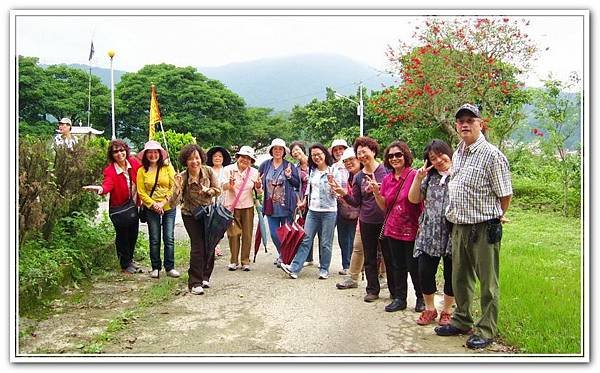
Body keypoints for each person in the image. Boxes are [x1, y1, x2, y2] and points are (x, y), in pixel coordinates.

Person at [434, 104, 513, 350]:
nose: (464, 124)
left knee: (488, 282)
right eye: (460, 121)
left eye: (470, 120)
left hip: (483, 227)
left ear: (481, 123)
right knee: (460, 278)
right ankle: (461, 320)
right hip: (459, 225)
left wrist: (497, 216)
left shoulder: (492, 155)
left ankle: (486, 329)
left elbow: (505, 194)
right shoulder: (459, 152)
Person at [330, 136, 388, 303]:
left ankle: (395, 289)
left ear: (373, 151)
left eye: (364, 151)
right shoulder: (358, 177)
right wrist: (343, 193)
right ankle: (372, 290)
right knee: (369, 256)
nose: (362, 155)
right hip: (366, 220)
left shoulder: (385, 171)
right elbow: (356, 202)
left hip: (385, 220)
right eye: (359, 152)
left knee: (389, 256)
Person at [371, 141, 424, 313]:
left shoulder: (415, 175)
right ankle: (400, 298)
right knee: (397, 265)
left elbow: (423, 202)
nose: (394, 158)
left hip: (412, 228)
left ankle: (421, 298)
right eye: (391, 156)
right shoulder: (387, 179)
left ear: (406, 156)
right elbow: (384, 206)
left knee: (414, 266)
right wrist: (377, 194)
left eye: (398, 155)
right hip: (393, 228)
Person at [408, 139, 455, 326]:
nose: (438, 160)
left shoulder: (460, 174)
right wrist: (418, 177)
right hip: (430, 232)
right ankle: (430, 309)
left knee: (451, 273)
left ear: (449, 152)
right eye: (432, 158)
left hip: (454, 232)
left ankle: (447, 311)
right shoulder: (429, 177)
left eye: (440, 155)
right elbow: (413, 199)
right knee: (424, 271)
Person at [280, 143, 342, 279]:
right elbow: (309, 188)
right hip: (313, 211)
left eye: (319, 154)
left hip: (329, 211)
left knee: (326, 242)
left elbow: (339, 194)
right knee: (306, 239)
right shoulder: (312, 170)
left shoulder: (334, 170)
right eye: (313, 155)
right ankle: (294, 269)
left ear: (325, 154)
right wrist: (303, 201)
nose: (316, 157)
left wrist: (333, 186)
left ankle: (324, 269)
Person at [83, 139, 142, 274]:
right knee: (122, 236)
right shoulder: (110, 170)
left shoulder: (133, 163)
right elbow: (108, 184)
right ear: (112, 154)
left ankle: (130, 260)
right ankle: (124, 264)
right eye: (115, 151)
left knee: (133, 234)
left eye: (121, 150)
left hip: (133, 206)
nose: (119, 154)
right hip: (119, 208)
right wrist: (101, 189)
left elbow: (144, 173)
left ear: (126, 151)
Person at [170, 144, 221, 295]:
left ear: (201, 159)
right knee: (198, 246)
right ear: (185, 161)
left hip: (208, 213)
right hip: (190, 215)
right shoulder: (182, 176)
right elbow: (173, 203)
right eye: (190, 159)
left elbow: (218, 190)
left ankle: (205, 276)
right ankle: (194, 282)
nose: (194, 162)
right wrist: (178, 188)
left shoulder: (208, 171)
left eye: (197, 158)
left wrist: (209, 190)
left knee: (209, 244)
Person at [136, 140, 179, 279]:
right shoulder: (141, 171)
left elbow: (174, 186)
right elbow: (141, 191)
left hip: (168, 207)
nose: (153, 155)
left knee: (169, 237)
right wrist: (154, 204)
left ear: (160, 154)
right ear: (146, 154)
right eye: (150, 152)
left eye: (155, 152)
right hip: (151, 208)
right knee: (154, 238)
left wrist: (163, 202)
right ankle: (155, 267)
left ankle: (170, 267)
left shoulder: (167, 168)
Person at [258, 138, 300, 267]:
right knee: (274, 234)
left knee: (287, 234)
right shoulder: (265, 165)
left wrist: (288, 176)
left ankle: (284, 257)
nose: (277, 151)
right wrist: (258, 185)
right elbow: (258, 183)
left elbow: (296, 183)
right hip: (271, 206)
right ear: (271, 150)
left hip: (286, 206)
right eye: (275, 149)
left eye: (280, 149)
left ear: (283, 151)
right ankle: (282, 254)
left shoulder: (289, 165)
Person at [221, 146, 263, 271]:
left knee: (247, 234)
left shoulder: (254, 172)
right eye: (243, 157)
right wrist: (230, 184)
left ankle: (245, 261)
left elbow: (259, 192)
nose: (245, 160)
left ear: (251, 161)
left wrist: (258, 186)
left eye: (248, 158)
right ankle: (233, 260)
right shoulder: (228, 169)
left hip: (248, 206)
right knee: (233, 234)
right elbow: (223, 186)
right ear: (238, 157)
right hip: (231, 206)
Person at [335, 147, 364, 290]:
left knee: (376, 250)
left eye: (351, 160)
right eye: (345, 161)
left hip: (369, 216)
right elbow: (355, 200)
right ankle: (353, 276)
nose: (348, 163)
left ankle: (382, 278)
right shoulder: (352, 176)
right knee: (357, 247)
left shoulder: (365, 174)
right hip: (357, 215)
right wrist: (343, 194)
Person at [330, 139, 354, 275]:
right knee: (343, 236)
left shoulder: (353, 166)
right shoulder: (333, 168)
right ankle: (346, 264)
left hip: (354, 204)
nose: (339, 152)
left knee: (353, 236)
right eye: (336, 150)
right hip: (339, 205)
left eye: (341, 149)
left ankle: (354, 265)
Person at [289, 141, 315, 267]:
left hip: (316, 199)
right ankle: (308, 258)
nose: (295, 152)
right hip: (303, 203)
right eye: (293, 151)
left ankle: (322, 260)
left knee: (321, 231)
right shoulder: (295, 167)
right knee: (307, 230)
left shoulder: (314, 162)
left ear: (303, 149)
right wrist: (299, 201)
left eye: (297, 149)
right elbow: (295, 185)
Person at [206, 146, 232, 257]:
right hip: (209, 201)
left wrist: (228, 185)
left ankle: (216, 245)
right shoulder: (207, 170)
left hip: (223, 201)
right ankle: (212, 246)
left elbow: (227, 187)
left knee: (220, 225)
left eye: (220, 156)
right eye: (215, 156)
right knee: (209, 225)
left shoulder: (227, 171)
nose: (217, 158)